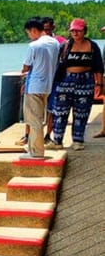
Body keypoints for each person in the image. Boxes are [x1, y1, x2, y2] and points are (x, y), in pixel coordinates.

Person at [48, 18, 104, 151]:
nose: (75, 33)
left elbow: (98, 67)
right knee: (60, 112)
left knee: (82, 112)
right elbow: (56, 65)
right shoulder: (65, 46)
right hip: (65, 82)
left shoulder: (92, 46)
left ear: (84, 31)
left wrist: (99, 85)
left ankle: (78, 140)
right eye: (73, 31)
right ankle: (57, 141)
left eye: (78, 31)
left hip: (85, 81)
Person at [19, 17, 59, 158]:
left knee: (33, 119)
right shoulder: (55, 43)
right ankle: (34, 149)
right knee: (40, 118)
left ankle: (36, 152)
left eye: (29, 33)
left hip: (34, 86)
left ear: (34, 30)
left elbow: (26, 66)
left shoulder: (34, 46)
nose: (29, 36)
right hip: (47, 85)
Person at [41, 16, 65, 145]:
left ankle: (48, 134)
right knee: (37, 110)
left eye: (48, 29)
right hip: (40, 81)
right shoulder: (37, 42)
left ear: (53, 28)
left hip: (56, 81)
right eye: (43, 29)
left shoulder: (61, 42)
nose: (45, 32)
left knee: (52, 109)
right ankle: (30, 135)